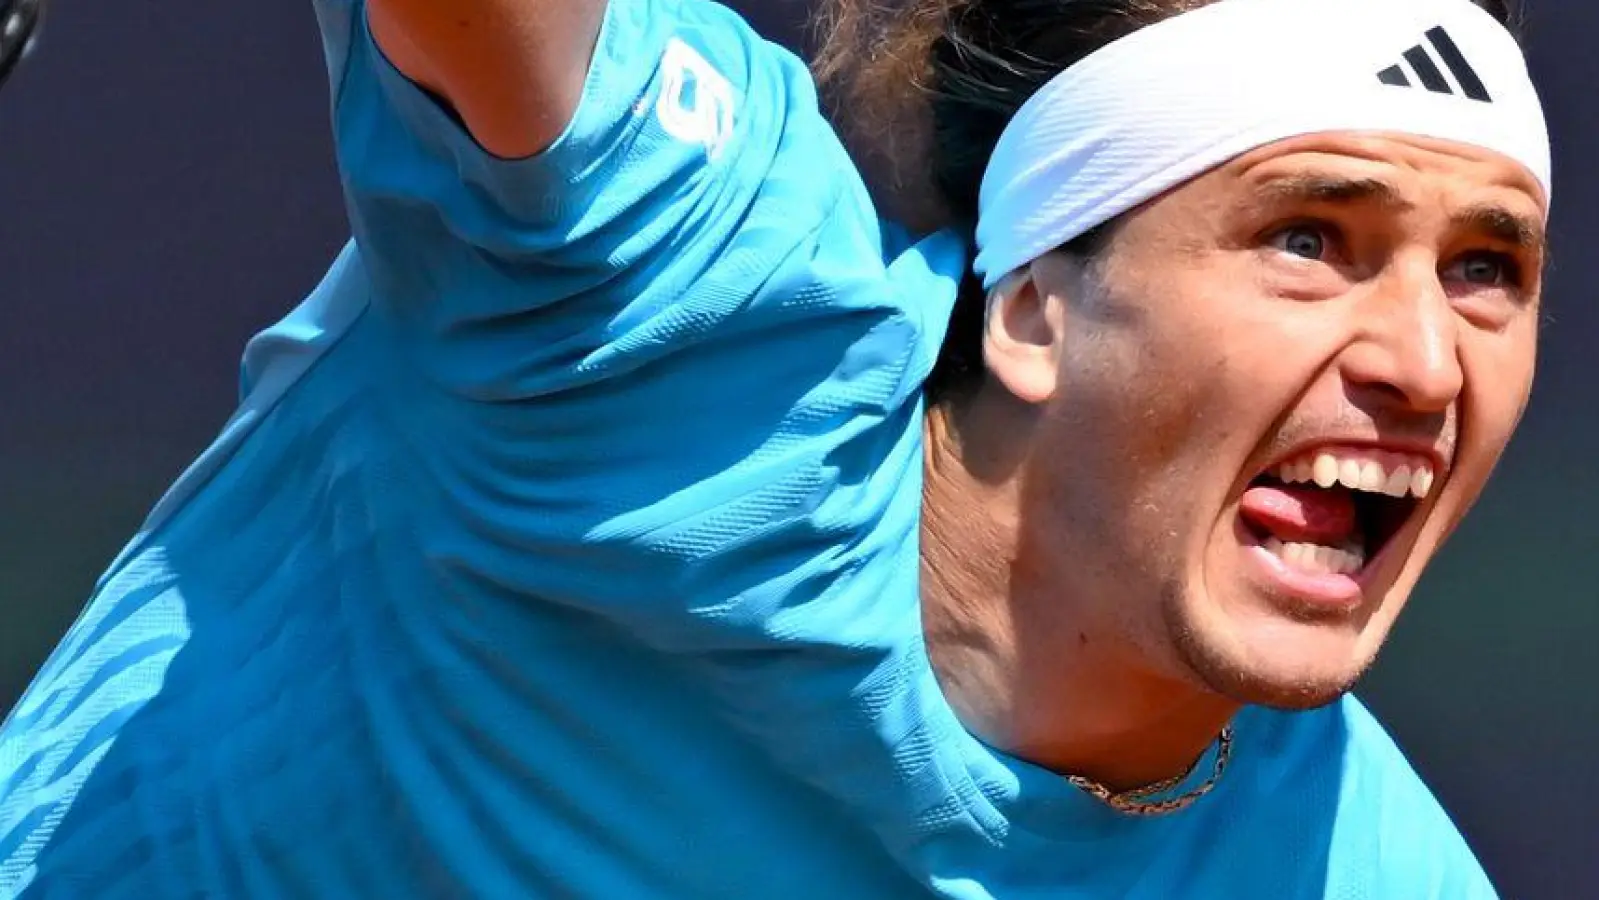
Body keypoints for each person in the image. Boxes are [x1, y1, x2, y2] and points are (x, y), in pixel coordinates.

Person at [0, 0, 1548, 896]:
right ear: (1029, 311)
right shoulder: (696, 294)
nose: (1422, 361)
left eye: (1486, 267)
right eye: (1304, 237)